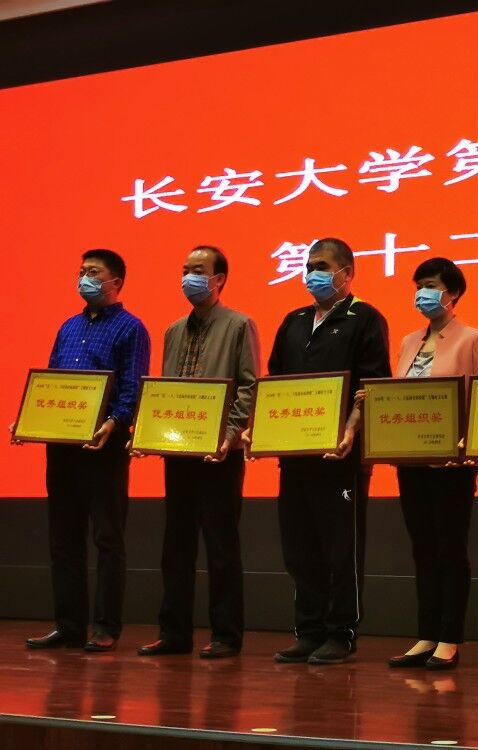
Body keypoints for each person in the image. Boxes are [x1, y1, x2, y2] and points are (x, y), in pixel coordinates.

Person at [259, 238, 390, 666]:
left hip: (340, 458)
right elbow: (275, 383)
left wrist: (351, 427)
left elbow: (372, 384)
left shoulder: (365, 318)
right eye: (309, 265)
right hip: (295, 455)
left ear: (346, 273)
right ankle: (308, 630)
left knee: (340, 549)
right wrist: (262, 431)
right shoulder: (293, 321)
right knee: (299, 548)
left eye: (322, 266)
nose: (312, 273)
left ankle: (340, 633)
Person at [23, 249, 150, 652]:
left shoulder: (131, 328)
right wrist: (30, 420)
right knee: (64, 539)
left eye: (93, 272)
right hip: (63, 447)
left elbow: (132, 387)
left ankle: (106, 627)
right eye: (81, 271)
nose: (84, 278)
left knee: (108, 539)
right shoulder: (68, 326)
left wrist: (114, 422)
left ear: (116, 282)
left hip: (104, 446)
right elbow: (51, 383)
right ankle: (69, 626)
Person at [372, 258, 478, 671]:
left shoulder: (473, 339)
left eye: (430, 285)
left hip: (452, 465)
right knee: (422, 549)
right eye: (418, 286)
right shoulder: (410, 341)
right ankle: (426, 634)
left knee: (450, 550)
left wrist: (470, 444)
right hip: (411, 461)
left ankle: (449, 638)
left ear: (453, 292)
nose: (422, 294)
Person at [137, 245, 260, 659]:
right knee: (176, 545)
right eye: (185, 269)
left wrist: (229, 434)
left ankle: (226, 634)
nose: (188, 277)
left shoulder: (239, 324)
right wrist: (150, 431)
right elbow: (166, 392)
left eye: (198, 270)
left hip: (220, 453)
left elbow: (249, 385)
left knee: (221, 546)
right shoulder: (173, 330)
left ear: (219, 279)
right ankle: (174, 633)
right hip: (180, 452)